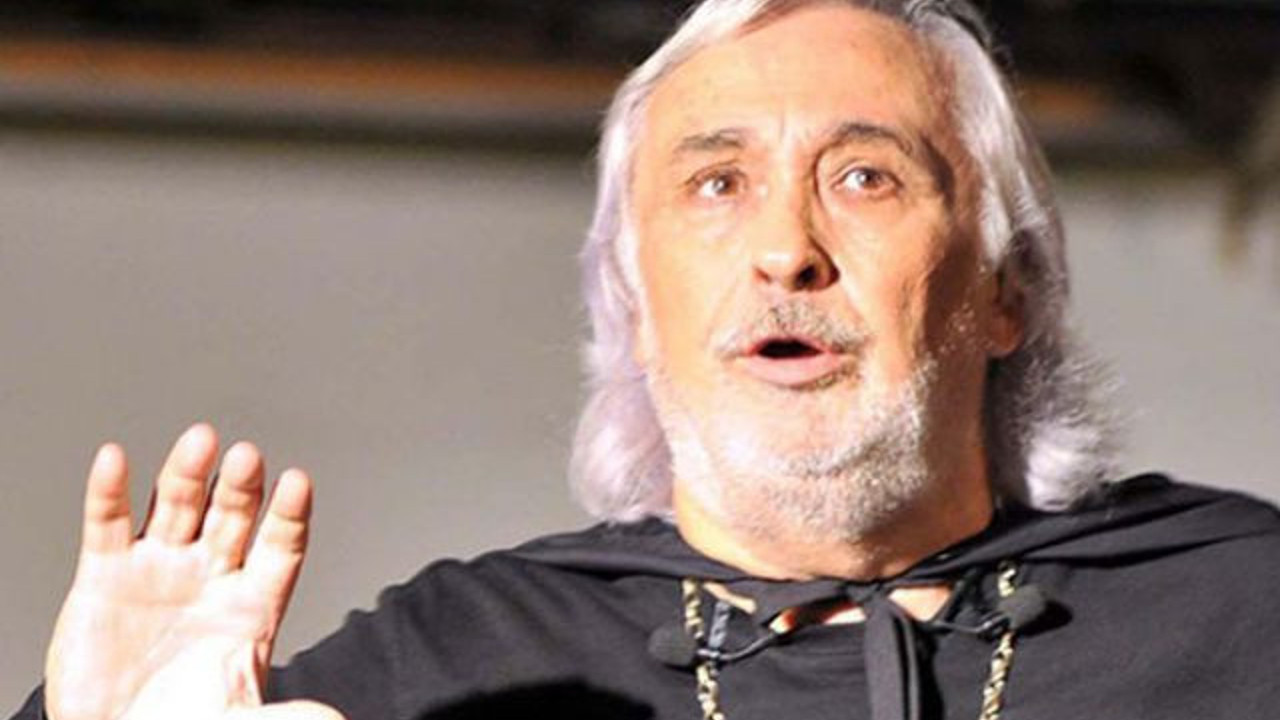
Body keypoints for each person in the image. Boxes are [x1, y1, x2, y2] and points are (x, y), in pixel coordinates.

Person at [12, 1, 1280, 719]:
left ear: (1005, 290)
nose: (784, 250)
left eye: (863, 177)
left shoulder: (1241, 604)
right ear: (632, 298)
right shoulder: (467, 659)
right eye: (715, 184)